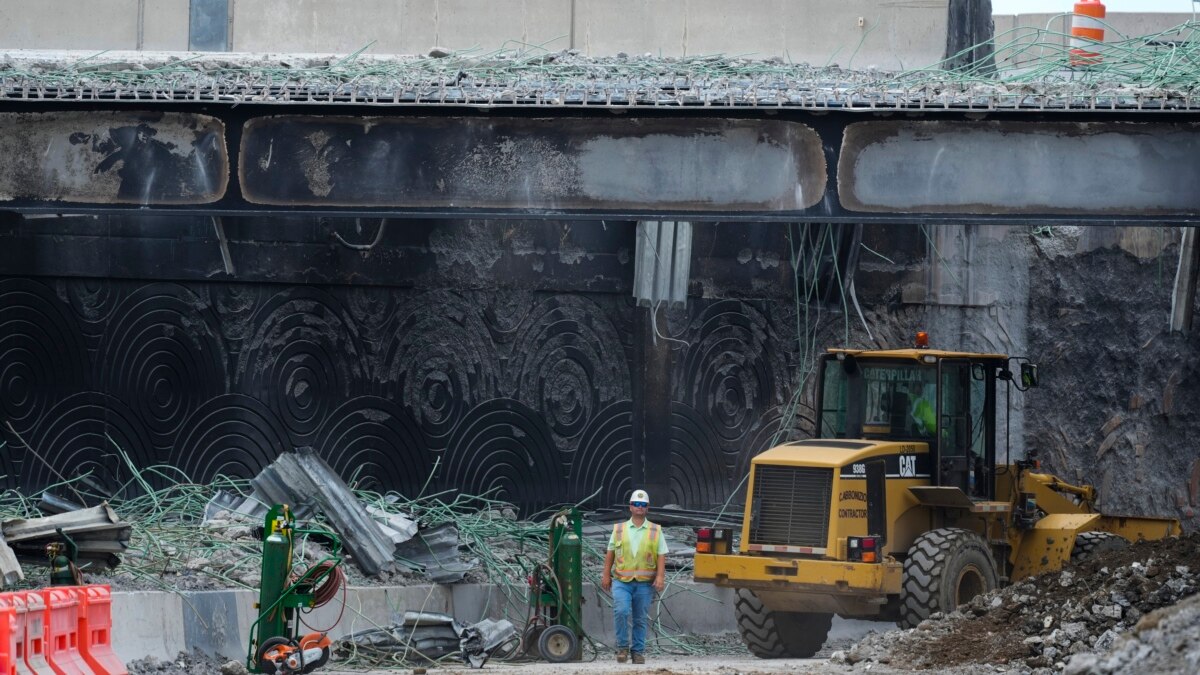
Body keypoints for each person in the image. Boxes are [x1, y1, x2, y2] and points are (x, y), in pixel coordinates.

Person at [601, 488, 668, 665]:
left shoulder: (655, 530)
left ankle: (637, 652)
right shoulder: (619, 529)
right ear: (630, 507)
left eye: (643, 505)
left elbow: (661, 554)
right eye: (636, 504)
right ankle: (622, 647)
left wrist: (660, 576)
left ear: (647, 508)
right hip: (622, 581)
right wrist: (606, 575)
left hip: (645, 584)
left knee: (640, 618)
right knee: (621, 611)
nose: (639, 507)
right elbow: (610, 553)